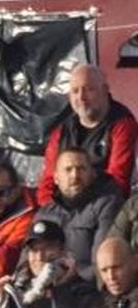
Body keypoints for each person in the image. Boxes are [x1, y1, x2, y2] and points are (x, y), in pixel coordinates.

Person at [36, 62, 135, 204]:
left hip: (105, 210)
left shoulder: (123, 125)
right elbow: (47, 182)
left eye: (89, 89)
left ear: (105, 90)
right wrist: (50, 212)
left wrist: (83, 214)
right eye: (75, 91)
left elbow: (118, 181)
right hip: (63, 211)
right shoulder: (61, 132)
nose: (81, 97)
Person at [34, 146, 122, 279]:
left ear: (93, 175)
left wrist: (74, 276)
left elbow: (103, 262)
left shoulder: (107, 205)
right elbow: (27, 254)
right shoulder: (45, 212)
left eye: (81, 169)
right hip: (44, 286)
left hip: (88, 290)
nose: (75, 175)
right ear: (56, 178)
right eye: (68, 170)